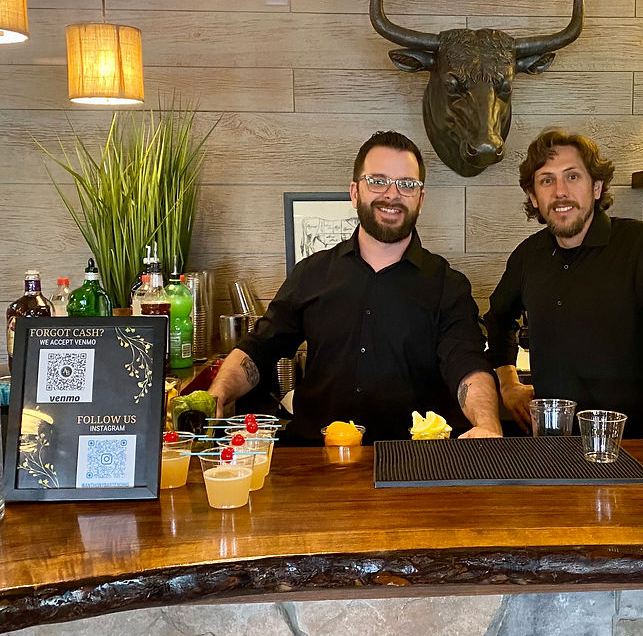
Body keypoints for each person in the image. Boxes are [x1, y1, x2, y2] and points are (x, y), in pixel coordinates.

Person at [210, 131, 502, 443]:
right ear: (354, 192)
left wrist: (487, 423)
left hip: (414, 458)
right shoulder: (312, 273)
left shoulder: (447, 285)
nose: (391, 195)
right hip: (316, 456)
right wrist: (216, 395)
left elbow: (467, 363)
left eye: (406, 184)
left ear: (420, 199)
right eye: (377, 181)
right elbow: (259, 349)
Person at [483, 128, 643, 439]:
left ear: (597, 187)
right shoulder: (528, 256)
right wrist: (508, 383)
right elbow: (498, 320)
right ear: (534, 197)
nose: (560, 191)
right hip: (552, 446)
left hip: (632, 445)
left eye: (572, 177)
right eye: (547, 180)